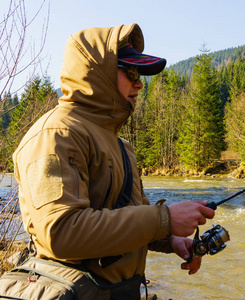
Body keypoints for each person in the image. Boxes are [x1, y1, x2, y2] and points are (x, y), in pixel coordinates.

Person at [12, 23, 215, 298]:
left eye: (140, 74)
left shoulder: (121, 146)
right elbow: (61, 233)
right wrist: (164, 218)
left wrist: (171, 240)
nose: (139, 83)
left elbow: (124, 217)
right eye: (130, 72)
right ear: (99, 74)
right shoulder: (56, 134)